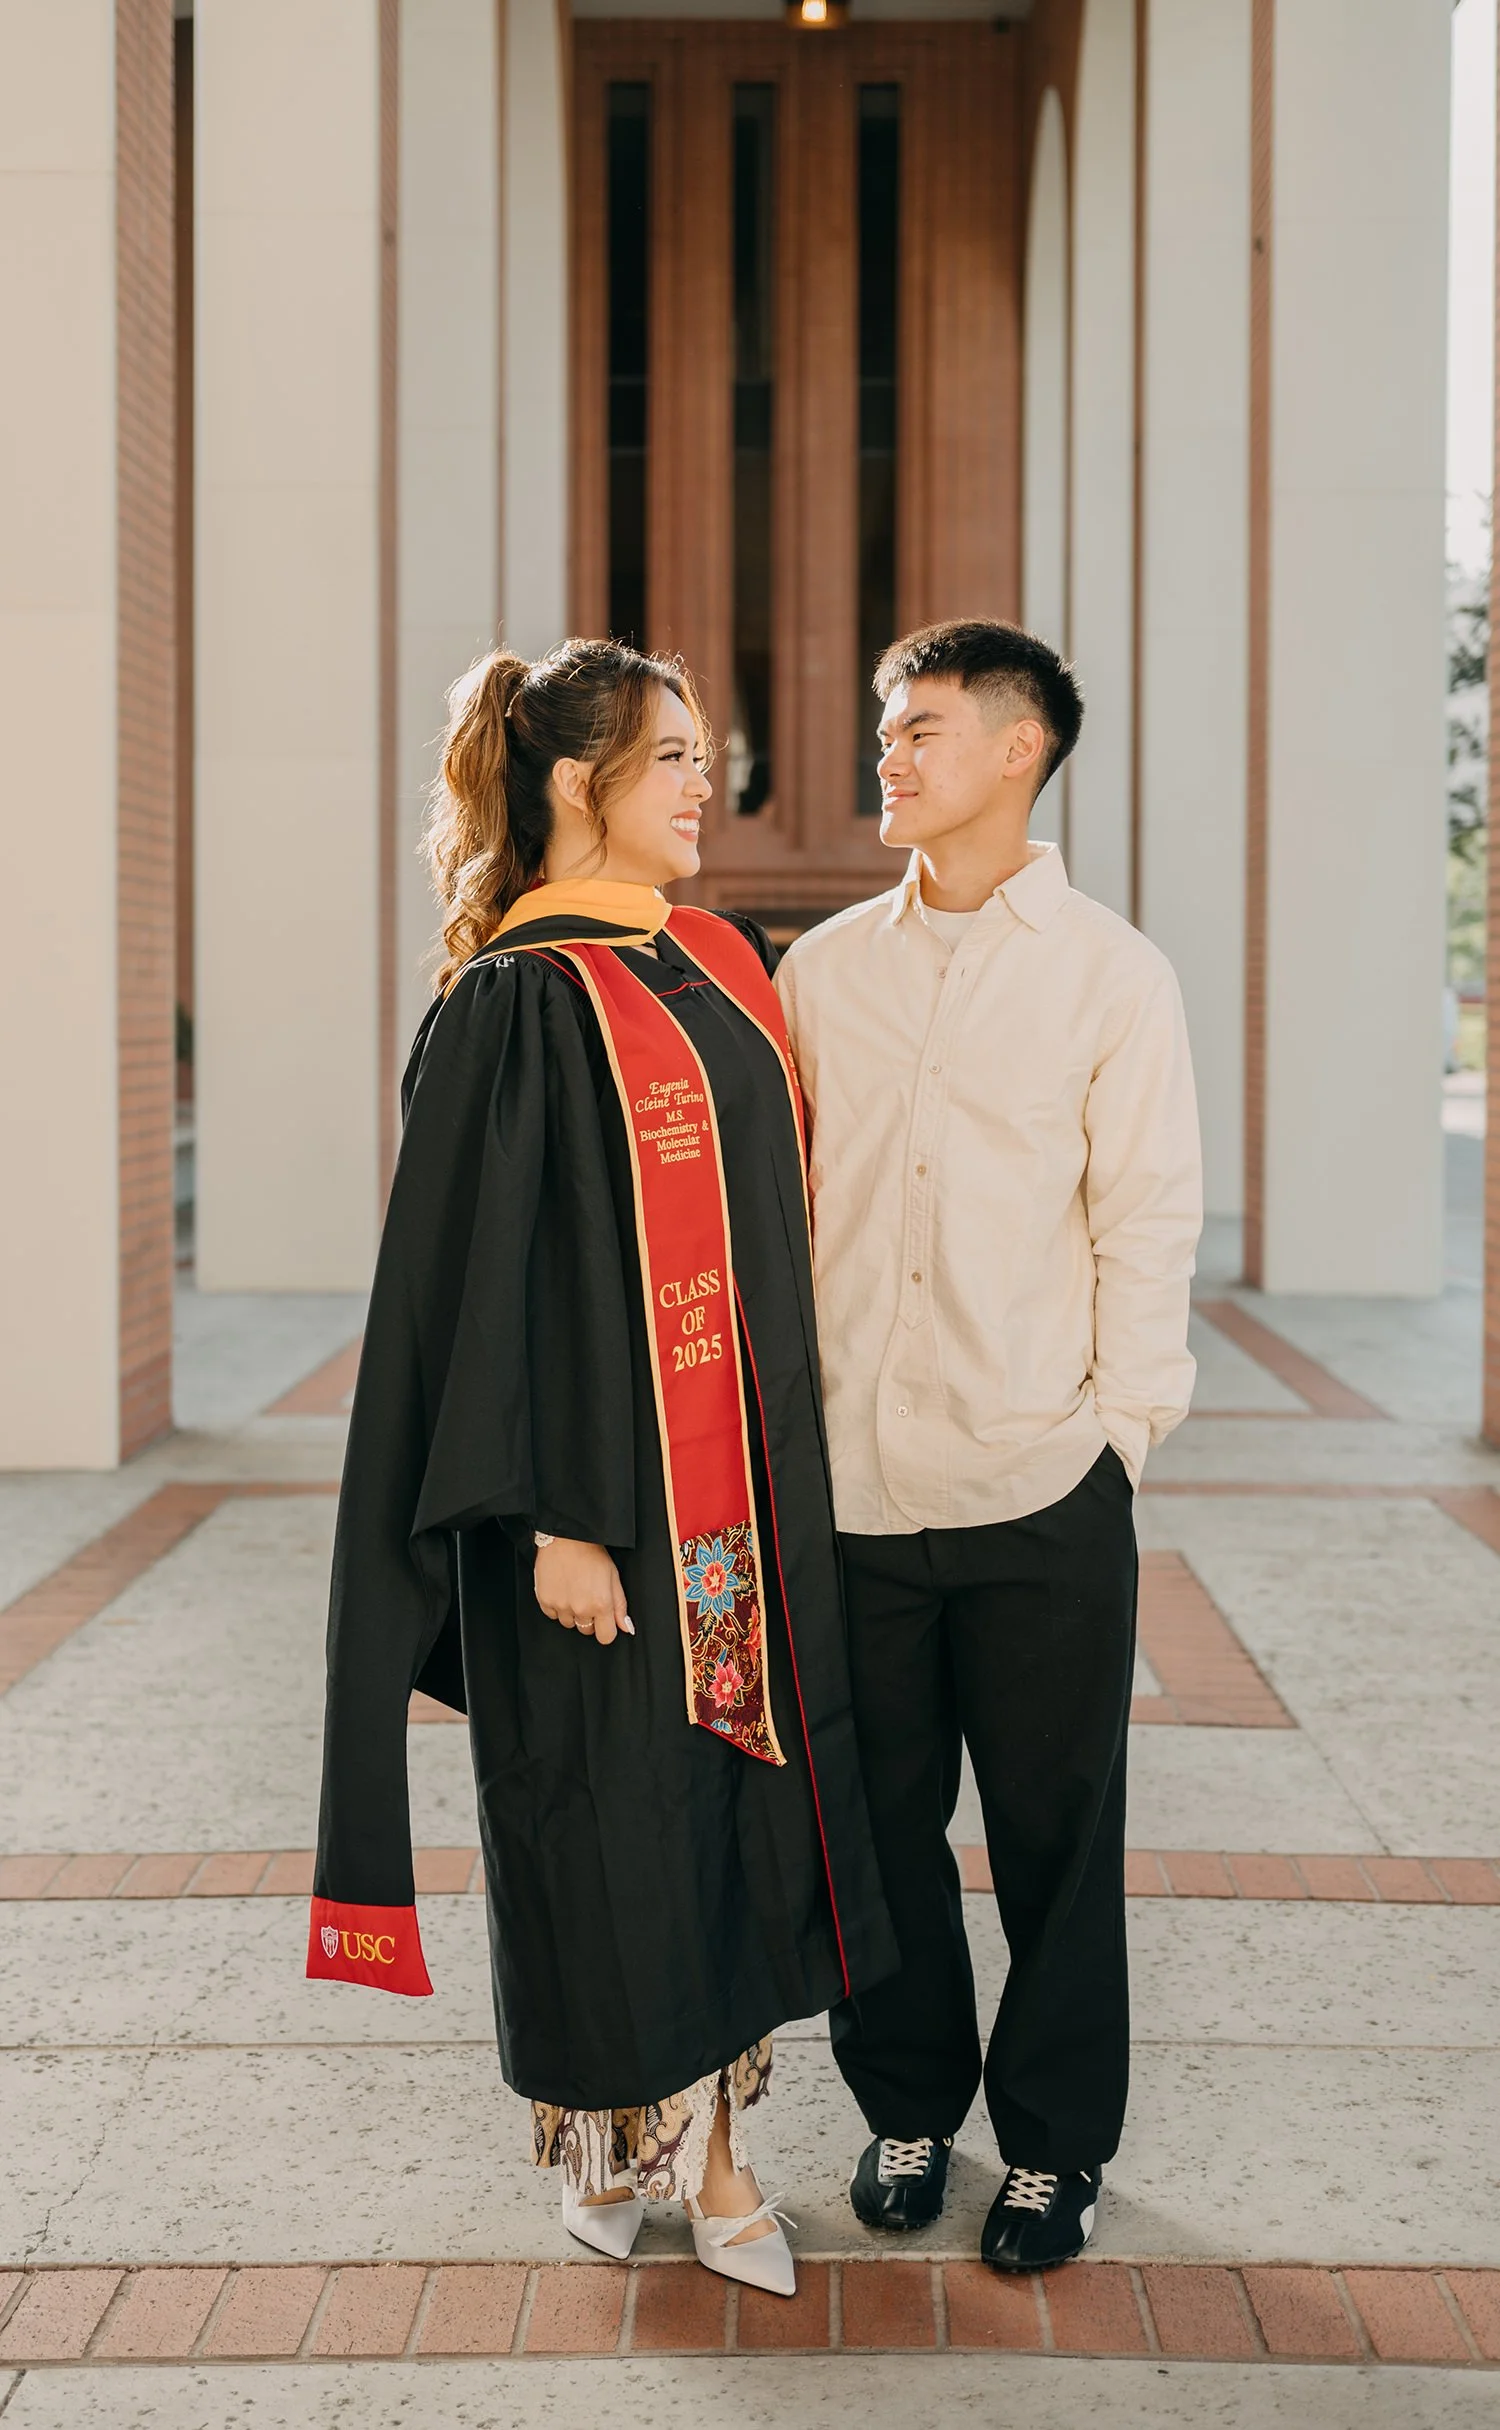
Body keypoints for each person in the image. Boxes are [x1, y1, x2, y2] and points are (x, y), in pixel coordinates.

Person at [308, 638, 895, 2299]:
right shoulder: (513, 998)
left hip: (746, 1509)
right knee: (606, 1831)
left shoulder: (714, 959)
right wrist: (550, 1518)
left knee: (733, 1815)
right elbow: (480, 1291)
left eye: (708, 755)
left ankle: (720, 2159)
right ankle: (606, 2143)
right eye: (675, 759)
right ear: (577, 785)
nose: (711, 783)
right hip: (597, 1521)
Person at [775, 618, 1202, 2272]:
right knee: (873, 1841)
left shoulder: (1113, 972)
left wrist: (1119, 1438)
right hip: (860, 1497)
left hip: (1042, 1491)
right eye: (887, 725)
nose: (890, 751)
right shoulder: (823, 973)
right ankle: (905, 2110)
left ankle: (1054, 2150)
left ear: (1020, 747)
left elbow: (1145, 1219)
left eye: (923, 726)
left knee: (1053, 1842)